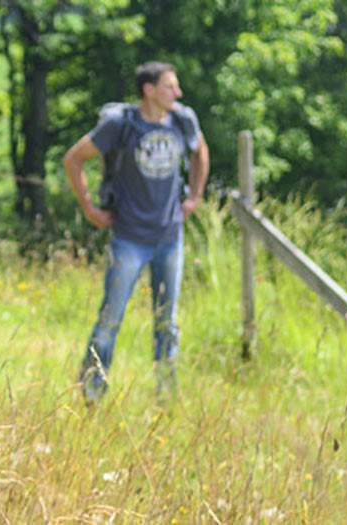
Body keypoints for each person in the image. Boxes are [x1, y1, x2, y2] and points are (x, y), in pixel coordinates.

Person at [61, 61, 209, 404]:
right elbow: (74, 158)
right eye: (170, 86)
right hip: (129, 238)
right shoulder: (121, 124)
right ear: (149, 90)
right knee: (110, 319)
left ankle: (166, 397)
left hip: (170, 238)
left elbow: (200, 151)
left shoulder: (182, 120)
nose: (178, 93)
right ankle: (91, 393)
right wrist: (89, 209)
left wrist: (195, 196)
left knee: (167, 322)